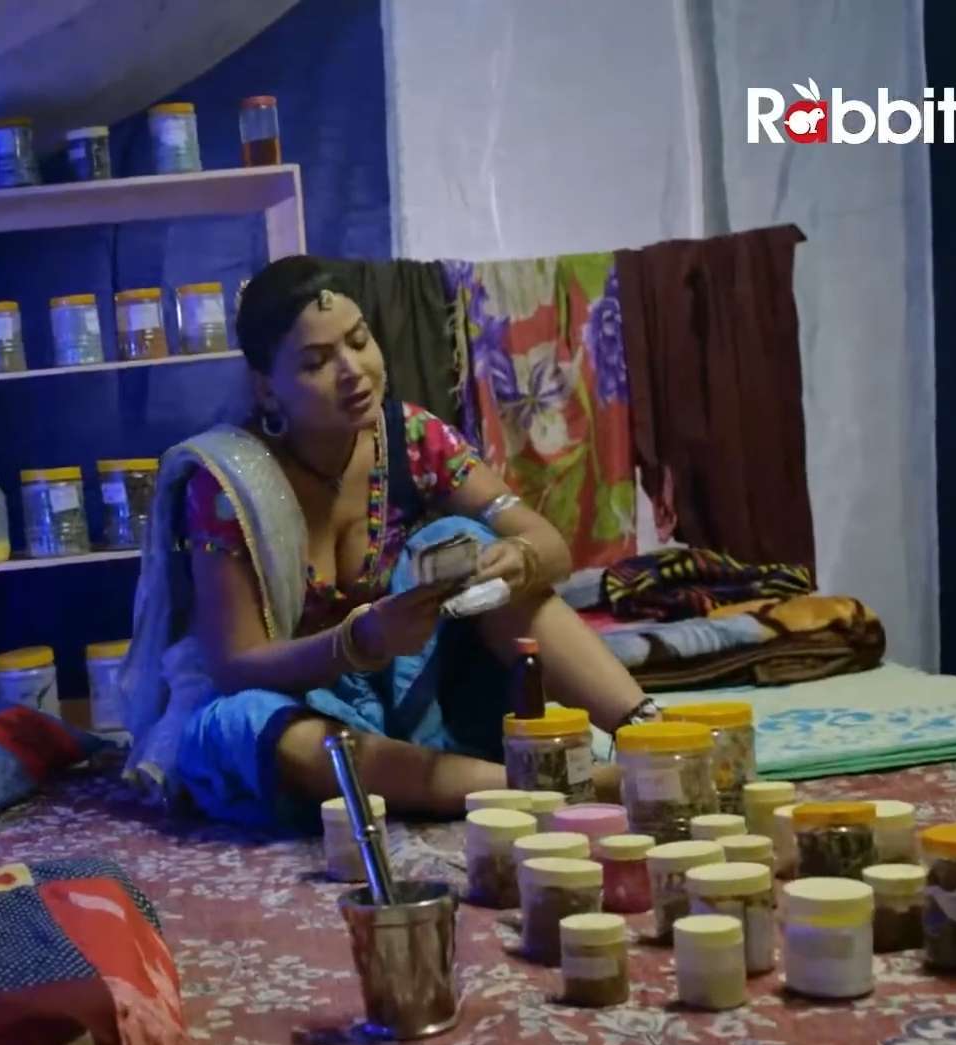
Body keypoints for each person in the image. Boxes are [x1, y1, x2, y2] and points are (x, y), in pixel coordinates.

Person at [119, 256, 658, 830]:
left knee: (465, 540)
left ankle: (653, 736)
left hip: (415, 694)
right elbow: (235, 666)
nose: (353, 371)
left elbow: (549, 547)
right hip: (306, 707)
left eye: (359, 341)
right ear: (266, 390)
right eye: (316, 362)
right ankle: (551, 789)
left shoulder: (413, 436)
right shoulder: (228, 484)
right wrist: (358, 641)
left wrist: (518, 561)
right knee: (244, 724)